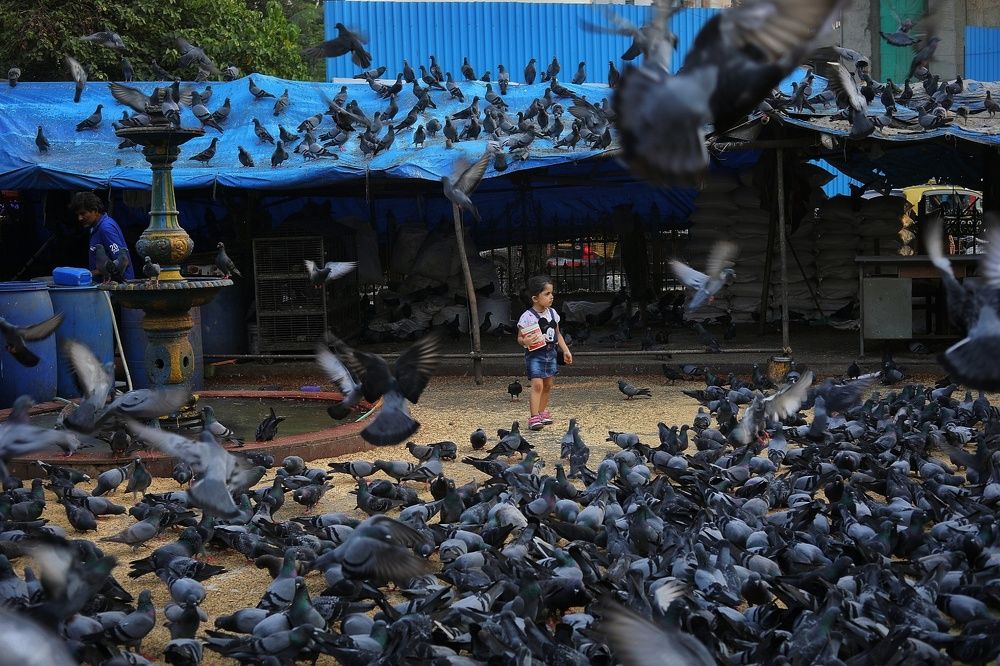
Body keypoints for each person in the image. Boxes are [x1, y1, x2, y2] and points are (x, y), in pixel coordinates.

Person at [516, 275, 573, 431]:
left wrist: (566, 350)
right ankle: (533, 416)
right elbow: (520, 338)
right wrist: (525, 342)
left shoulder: (553, 313)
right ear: (535, 298)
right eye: (547, 294)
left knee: (548, 384)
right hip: (535, 354)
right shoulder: (527, 317)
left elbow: (557, 334)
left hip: (551, 352)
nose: (551, 297)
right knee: (537, 384)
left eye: (551, 293)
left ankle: (542, 412)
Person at [69, 192, 134, 281]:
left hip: (118, 287)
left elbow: (122, 261)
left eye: (83, 213)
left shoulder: (106, 228)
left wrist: (91, 273)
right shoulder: (95, 227)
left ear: (95, 211)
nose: (79, 218)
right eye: (78, 215)